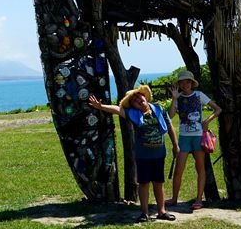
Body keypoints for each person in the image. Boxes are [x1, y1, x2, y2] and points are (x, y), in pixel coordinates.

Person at [89, 85, 178, 223]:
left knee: (158, 183)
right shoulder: (134, 114)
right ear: (133, 106)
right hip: (143, 155)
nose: (138, 99)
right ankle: (144, 213)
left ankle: (162, 211)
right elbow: (118, 110)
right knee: (143, 183)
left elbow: (170, 126)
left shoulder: (159, 108)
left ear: (145, 96)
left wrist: (175, 145)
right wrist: (101, 106)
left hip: (159, 154)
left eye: (139, 96)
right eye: (134, 99)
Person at [166, 70, 222, 210]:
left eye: (187, 81)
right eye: (182, 82)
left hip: (198, 137)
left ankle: (198, 200)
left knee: (200, 168)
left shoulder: (199, 95)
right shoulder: (177, 98)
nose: (185, 84)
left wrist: (207, 121)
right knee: (179, 170)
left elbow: (218, 110)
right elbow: (170, 116)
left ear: (192, 83)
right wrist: (174, 99)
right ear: (179, 84)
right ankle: (174, 198)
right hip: (184, 138)